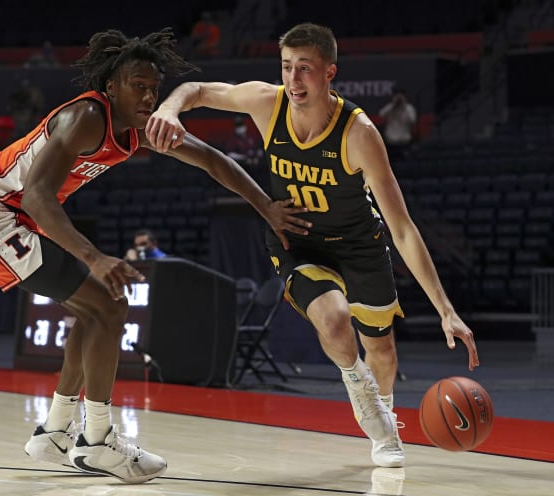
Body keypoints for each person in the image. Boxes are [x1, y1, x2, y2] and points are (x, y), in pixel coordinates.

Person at [0, 27, 308, 483]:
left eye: (154, 89)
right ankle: (96, 440)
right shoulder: (84, 117)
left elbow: (213, 160)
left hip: (12, 216)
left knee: (96, 311)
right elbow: (39, 198)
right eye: (138, 87)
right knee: (110, 305)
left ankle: (56, 432)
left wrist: (267, 209)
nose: (148, 97)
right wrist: (95, 256)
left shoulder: (138, 132)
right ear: (111, 88)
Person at [146, 22, 479, 468]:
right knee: (335, 320)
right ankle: (364, 398)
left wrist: (445, 309)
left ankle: (383, 411)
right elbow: (198, 88)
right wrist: (170, 109)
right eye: (287, 67)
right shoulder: (267, 103)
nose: (294, 79)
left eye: (305, 69)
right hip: (298, 241)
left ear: (329, 73)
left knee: (381, 348)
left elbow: (401, 228)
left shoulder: (359, 133)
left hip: (361, 243)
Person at [378, 88, 417, 161]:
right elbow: (381, 114)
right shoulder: (390, 107)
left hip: (405, 141)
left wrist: (404, 106)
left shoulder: (409, 108)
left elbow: (412, 120)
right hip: (391, 141)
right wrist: (393, 104)